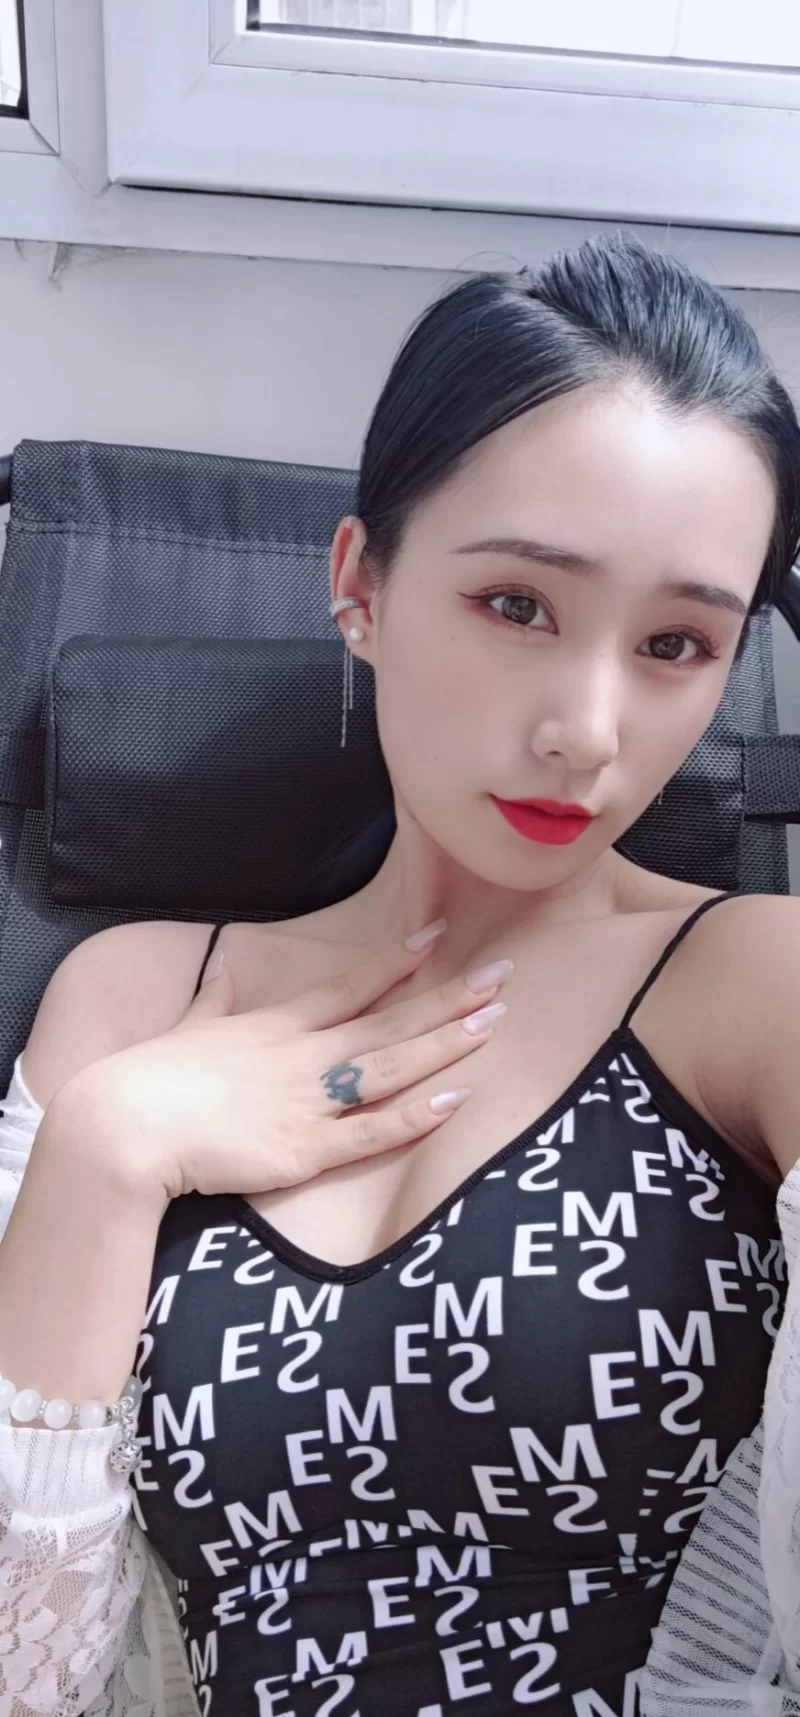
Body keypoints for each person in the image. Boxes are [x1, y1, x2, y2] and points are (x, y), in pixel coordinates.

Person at [0, 233, 799, 1717]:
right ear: (361, 585)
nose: (586, 729)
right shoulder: (132, 1007)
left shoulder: (753, 988)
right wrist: (106, 1154)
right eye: (518, 605)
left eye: (679, 643)